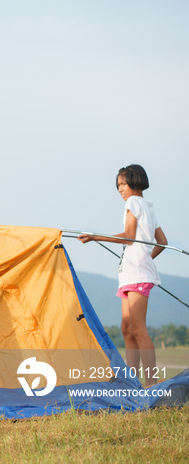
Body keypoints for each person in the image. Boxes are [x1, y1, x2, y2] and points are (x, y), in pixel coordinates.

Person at [78, 164, 167, 387]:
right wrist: (146, 258)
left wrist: (95, 237)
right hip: (131, 273)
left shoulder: (133, 202)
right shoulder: (149, 206)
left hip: (136, 273)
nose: (120, 189)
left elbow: (129, 236)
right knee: (126, 328)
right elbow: (162, 243)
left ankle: (150, 385)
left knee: (137, 328)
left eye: (123, 184)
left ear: (135, 181)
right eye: (118, 186)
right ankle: (132, 382)